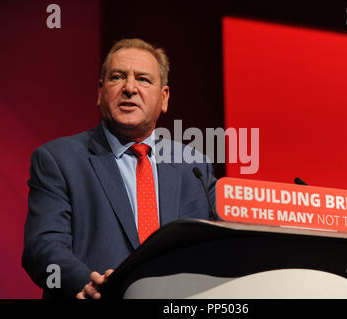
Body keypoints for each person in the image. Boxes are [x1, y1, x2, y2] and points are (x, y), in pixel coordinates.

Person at [22, 39, 217, 299]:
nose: (130, 88)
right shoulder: (58, 160)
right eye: (117, 77)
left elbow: (220, 245)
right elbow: (42, 247)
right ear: (100, 92)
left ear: (164, 98)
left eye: (144, 79)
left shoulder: (194, 167)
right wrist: (85, 283)